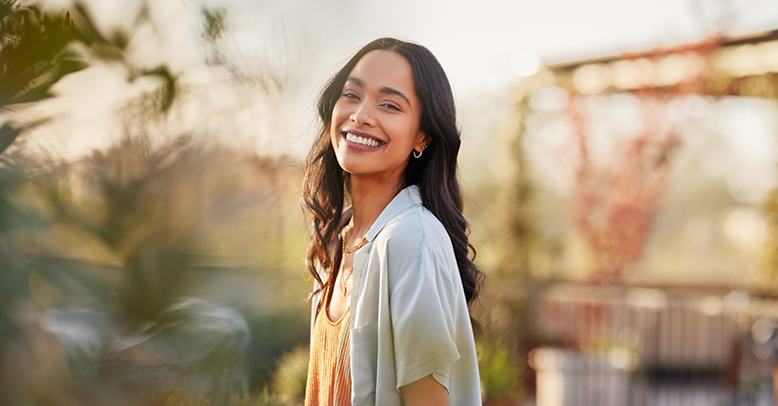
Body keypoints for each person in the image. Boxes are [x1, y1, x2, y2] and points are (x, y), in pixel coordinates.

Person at [301, 37, 483, 406]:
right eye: (352, 95)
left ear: (423, 136)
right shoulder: (339, 240)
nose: (361, 115)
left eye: (389, 104)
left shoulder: (411, 240)